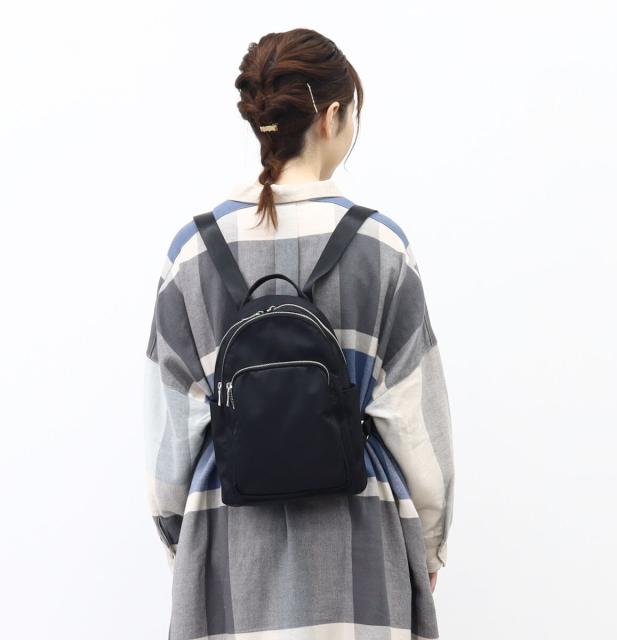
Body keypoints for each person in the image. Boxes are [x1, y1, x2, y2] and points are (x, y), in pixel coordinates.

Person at [144, 27, 454, 640]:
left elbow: (170, 436)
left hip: (230, 538)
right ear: (332, 115)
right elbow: (416, 425)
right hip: (361, 542)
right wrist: (429, 544)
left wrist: (182, 538)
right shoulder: (381, 247)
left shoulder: (190, 254)